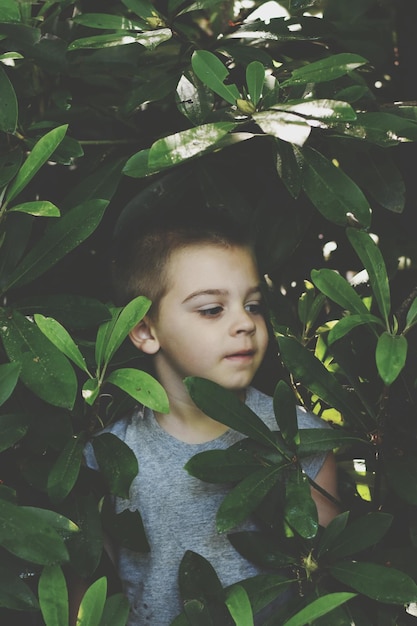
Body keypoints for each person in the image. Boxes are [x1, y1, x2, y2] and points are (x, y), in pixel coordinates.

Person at [83, 208, 340, 625]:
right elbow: (86, 587)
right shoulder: (109, 456)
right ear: (146, 330)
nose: (245, 323)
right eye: (211, 309)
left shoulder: (306, 441)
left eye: (253, 304)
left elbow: (332, 576)